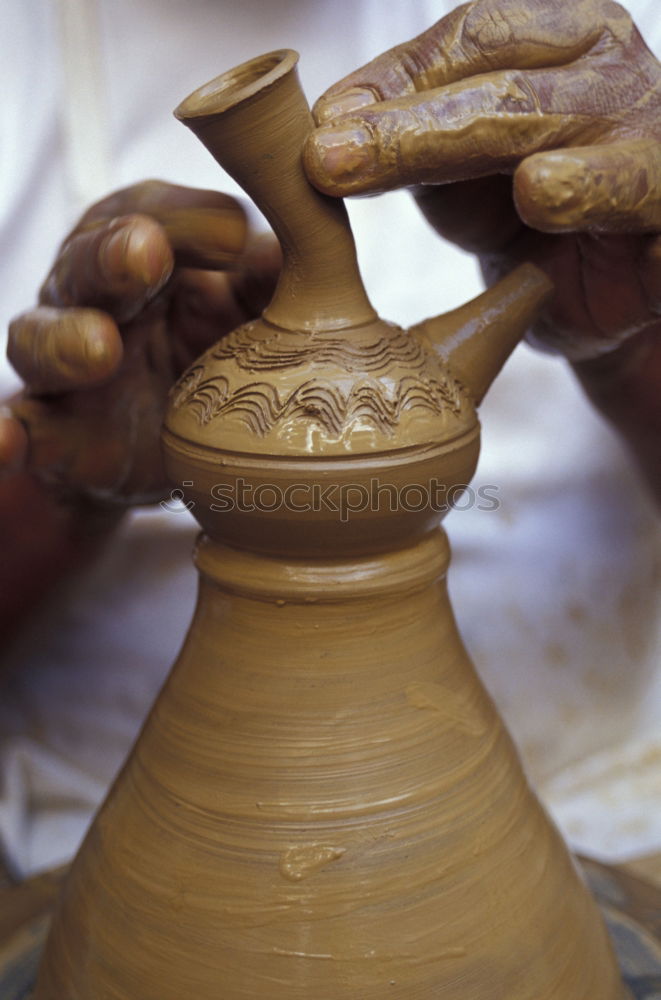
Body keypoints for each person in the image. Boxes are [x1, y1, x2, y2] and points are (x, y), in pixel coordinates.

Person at [0, 0, 659, 877]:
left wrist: (635, 346)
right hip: (93, 842)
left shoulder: (611, 42)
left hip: (606, 810)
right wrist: (57, 499)